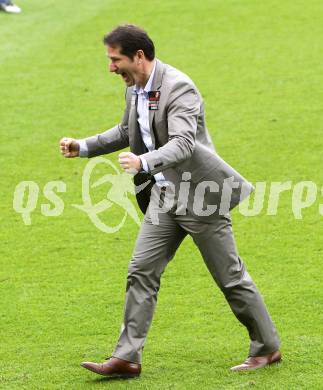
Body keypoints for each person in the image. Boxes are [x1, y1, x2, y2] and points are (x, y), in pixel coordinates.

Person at [59, 24, 281, 378]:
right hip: (164, 196)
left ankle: (267, 348)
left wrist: (143, 162)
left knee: (230, 278)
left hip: (201, 196)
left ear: (139, 56)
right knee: (141, 271)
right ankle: (127, 357)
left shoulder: (179, 88)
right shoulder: (135, 89)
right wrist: (83, 146)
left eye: (115, 60)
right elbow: (126, 131)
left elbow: (183, 144)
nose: (111, 67)